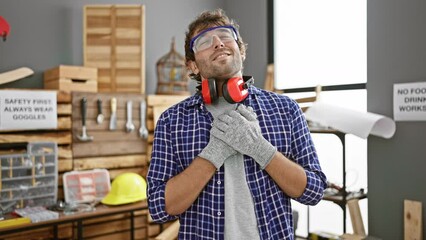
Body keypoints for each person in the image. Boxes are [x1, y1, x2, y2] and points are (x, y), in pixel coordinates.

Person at [147, 9, 327, 240]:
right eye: (204, 41)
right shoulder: (172, 121)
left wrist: (259, 148)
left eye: (225, 35)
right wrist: (213, 153)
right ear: (192, 66)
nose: (218, 43)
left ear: (240, 51)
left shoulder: (285, 109)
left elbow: (313, 191)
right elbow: (160, 208)